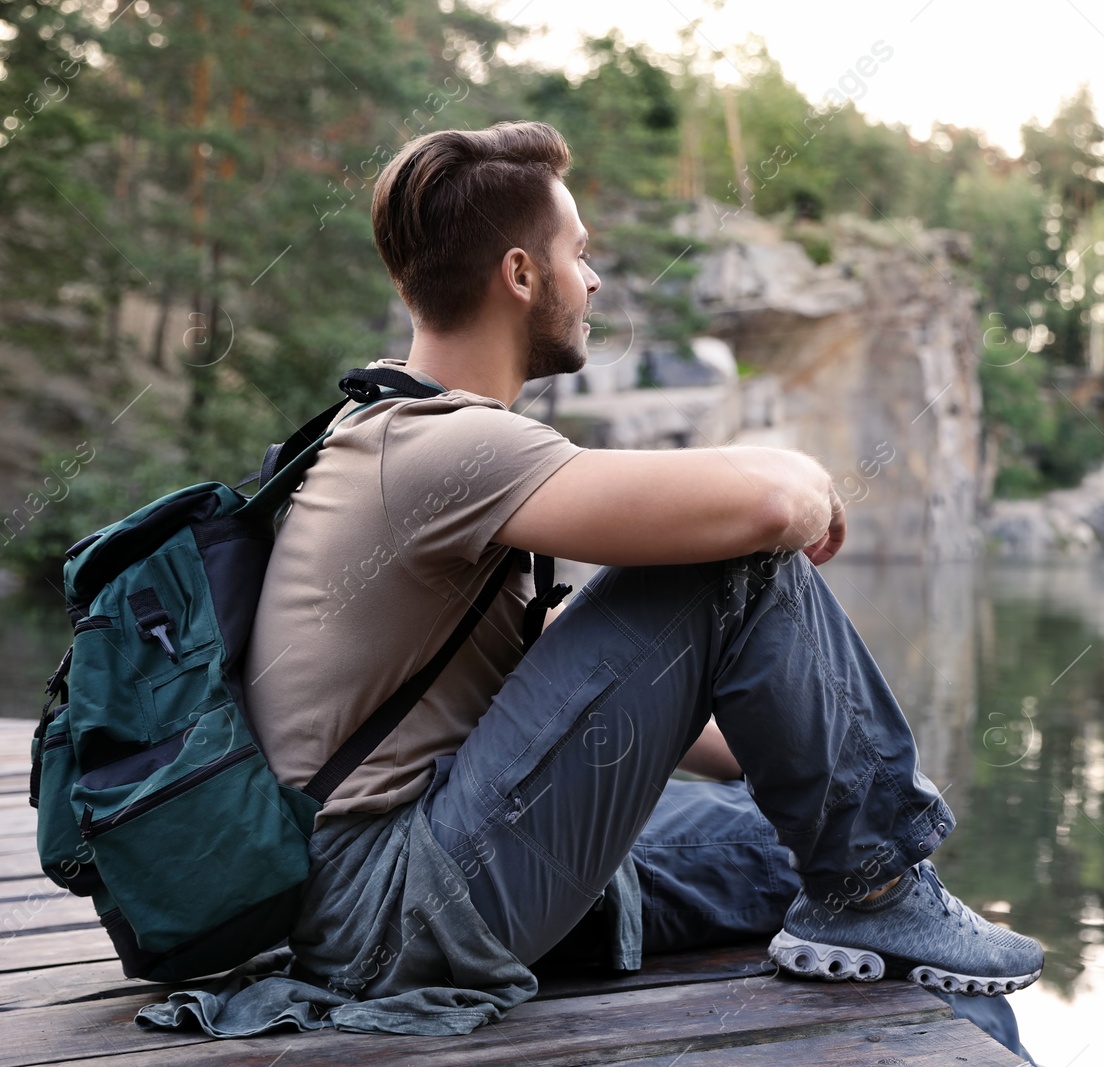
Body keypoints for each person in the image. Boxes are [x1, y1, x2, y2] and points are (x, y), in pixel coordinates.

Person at [136, 121, 1042, 1054]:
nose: (595, 278)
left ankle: (876, 893)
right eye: (580, 252)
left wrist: (816, 751)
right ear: (522, 275)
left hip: (382, 881)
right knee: (731, 563)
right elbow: (770, 506)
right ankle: (881, 895)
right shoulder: (442, 447)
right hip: (392, 905)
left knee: (787, 840)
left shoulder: (384, 427)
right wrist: (806, 485)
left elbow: (648, 700)